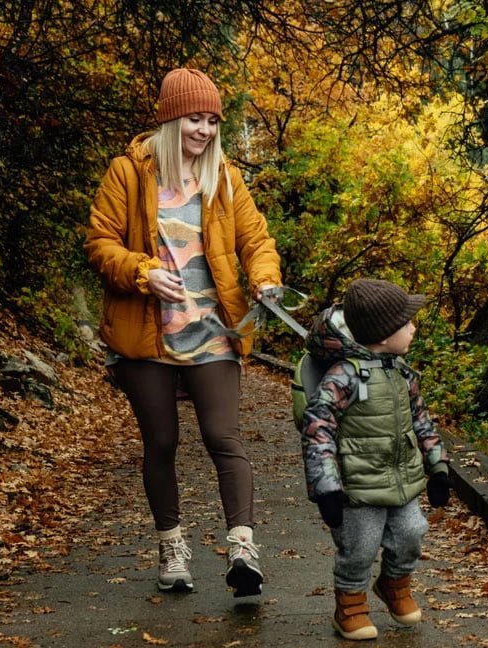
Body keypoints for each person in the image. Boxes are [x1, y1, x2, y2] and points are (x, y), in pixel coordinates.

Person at [84, 67, 282, 598]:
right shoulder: (128, 173)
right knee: (162, 442)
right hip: (146, 338)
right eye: (196, 118)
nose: (206, 130)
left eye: (213, 120)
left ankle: (243, 549)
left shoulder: (225, 176)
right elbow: (100, 243)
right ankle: (172, 545)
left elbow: (256, 239)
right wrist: (142, 271)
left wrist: (264, 281)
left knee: (224, 436)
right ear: (172, 119)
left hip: (214, 333)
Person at [299, 278, 452, 639]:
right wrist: (326, 487)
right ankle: (349, 606)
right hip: (358, 487)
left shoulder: (402, 373)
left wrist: (439, 467)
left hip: (403, 480)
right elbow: (318, 428)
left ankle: (394, 585)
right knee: (359, 547)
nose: (414, 327)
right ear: (384, 335)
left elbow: (422, 420)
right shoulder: (344, 376)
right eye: (407, 323)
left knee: (412, 533)